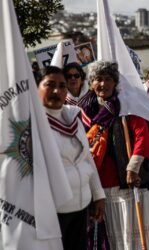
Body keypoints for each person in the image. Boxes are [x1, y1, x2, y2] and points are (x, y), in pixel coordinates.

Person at [80, 60, 149, 250]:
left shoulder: (126, 106)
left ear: (115, 82)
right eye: (98, 79)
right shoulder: (83, 110)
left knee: (127, 236)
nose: (103, 84)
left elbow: (143, 138)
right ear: (91, 82)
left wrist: (132, 168)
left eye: (108, 79)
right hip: (97, 184)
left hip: (124, 182)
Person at [36, 66, 106, 250]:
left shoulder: (73, 117)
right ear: (37, 88)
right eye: (50, 85)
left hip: (81, 204)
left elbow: (86, 159)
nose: (57, 91)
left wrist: (98, 194)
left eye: (62, 85)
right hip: (51, 211)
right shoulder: (32, 125)